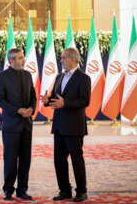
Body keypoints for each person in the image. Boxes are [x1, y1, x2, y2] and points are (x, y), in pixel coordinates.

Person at [41, 47, 91, 202]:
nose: (61, 60)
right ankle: (65, 190)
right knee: (59, 160)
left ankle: (81, 191)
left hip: (74, 126)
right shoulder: (59, 77)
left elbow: (84, 101)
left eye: (63, 57)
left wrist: (65, 103)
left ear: (73, 59)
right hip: (59, 126)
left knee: (77, 159)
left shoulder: (84, 78)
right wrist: (47, 101)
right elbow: (58, 100)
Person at [0, 48, 37, 201]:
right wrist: (18, 111)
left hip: (26, 124)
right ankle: (8, 190)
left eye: (23, 57)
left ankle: (22, 190)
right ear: (11, 61)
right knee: (11, 159)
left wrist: (31, 109)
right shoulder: (1, 77)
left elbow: (33, 95)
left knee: (26, 159)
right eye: (19, 58)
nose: (23, 60)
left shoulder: (28, 75)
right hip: (11, 125)